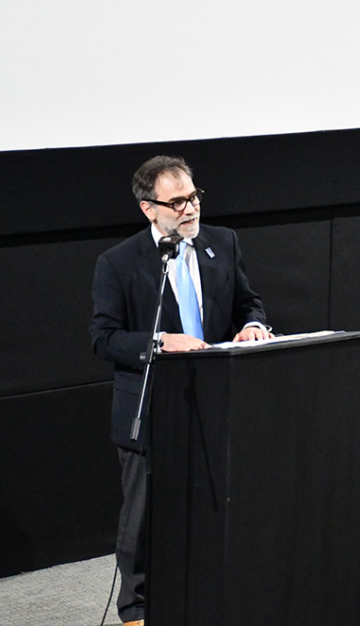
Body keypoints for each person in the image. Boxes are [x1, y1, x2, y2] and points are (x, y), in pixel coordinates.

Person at [90, 156, 271, 625]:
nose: (189, 209)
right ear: (149, 208)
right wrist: (158, 342)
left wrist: (253, 324)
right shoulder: (119, 262)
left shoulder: (223, 243)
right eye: (176, 202)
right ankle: (136, 609)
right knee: (143, 519)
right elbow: (103, 338)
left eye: (193, 197)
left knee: (215, 506)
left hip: (216, 402)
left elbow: (247, 302)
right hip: (151, 407)